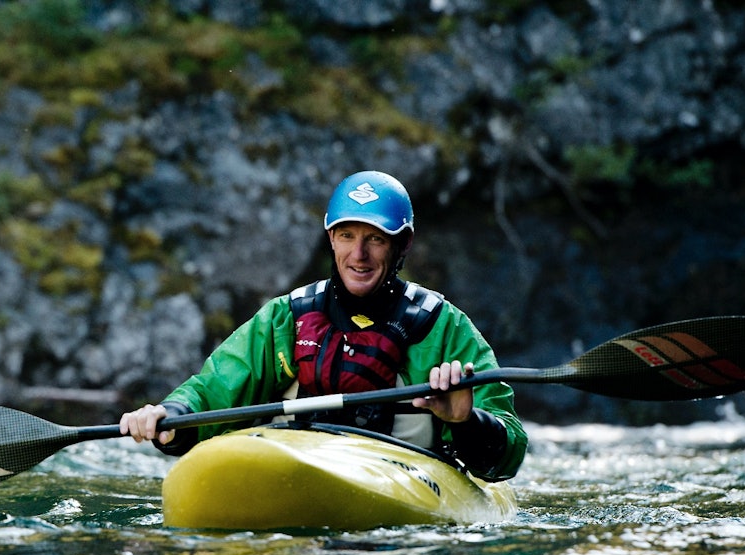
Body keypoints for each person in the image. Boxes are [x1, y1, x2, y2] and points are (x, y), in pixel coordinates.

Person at [120, 170, 527, 481]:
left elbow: (508, 452)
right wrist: (171, 415)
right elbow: (215, 389)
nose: (358, 254)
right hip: (292, 469)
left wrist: (466, 422)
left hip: (401, 477)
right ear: (331, 238)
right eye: (347, 235)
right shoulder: (288, 317)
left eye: (376, 239)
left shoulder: (442, 326)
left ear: (402, 243)